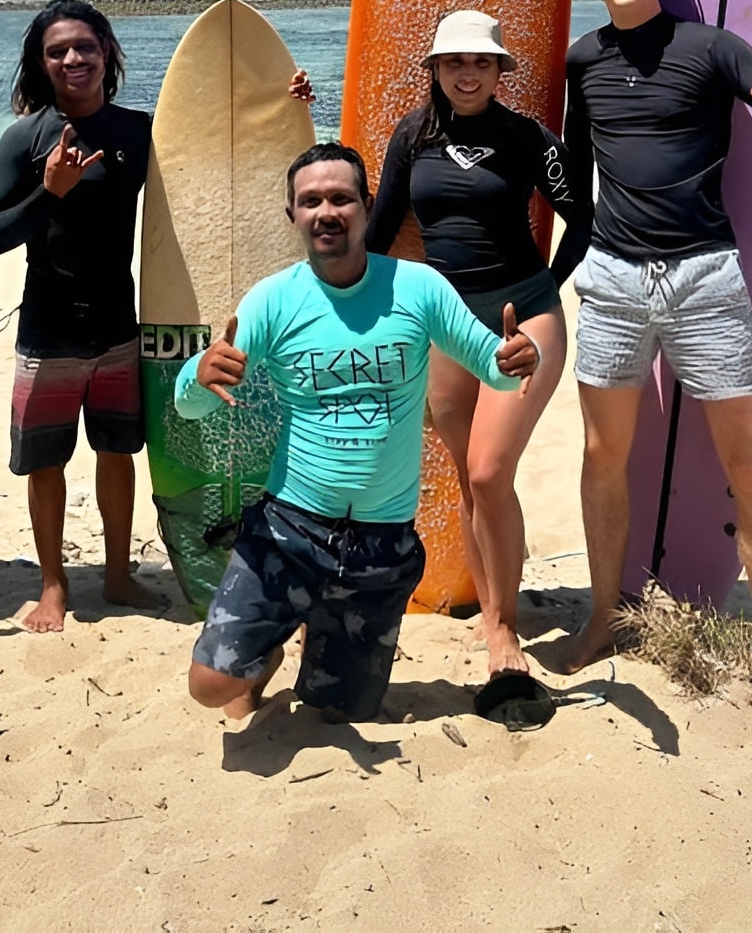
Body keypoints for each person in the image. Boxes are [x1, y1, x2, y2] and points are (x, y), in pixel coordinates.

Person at [552, 0, 752, 709]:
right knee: (603, 456)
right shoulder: (581, 62)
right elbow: (574, 177)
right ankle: (604, 615)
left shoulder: (714, 49)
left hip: (705, 278)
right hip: (612, 280)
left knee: (748, 463)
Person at [178, 142, 540, 724]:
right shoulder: (273, 300)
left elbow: (492, 362)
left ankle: (316, 645)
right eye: (311, 200)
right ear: (292, 216)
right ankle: (268, 646)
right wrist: (197, 375)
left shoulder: (417, 288)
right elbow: (193, 405)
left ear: (367, 208)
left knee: (338, 711)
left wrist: (524, 354)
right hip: (287, 531)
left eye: (342, 198)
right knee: (213, 688)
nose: (327, 210)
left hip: (379, 545)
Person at [364, 11, 591, 680]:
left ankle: (506, 632)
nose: (468, 73)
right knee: (470, 479)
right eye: (455, 62)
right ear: (435, 70)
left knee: (491, 472)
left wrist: (549, 284)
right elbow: (379, 231)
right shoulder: (413, 136)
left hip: (524, 317)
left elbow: (583, 216)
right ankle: (494, 619)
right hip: (443, 324)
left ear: (499, 72)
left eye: (481, 63)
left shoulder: (528, 138)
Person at [0, 0, 161, 631]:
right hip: (48, 327)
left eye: (84, 46)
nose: (73, 59)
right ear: (40, 62)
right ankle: (53, 584)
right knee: (47, 460)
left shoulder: (139, 131)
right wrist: (47, 193)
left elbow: (219, 156)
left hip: (117, 324)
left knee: (118, 452)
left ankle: (116, 575)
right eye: (57, 51)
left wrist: (289, 102)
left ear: (107, 52)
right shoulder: (25, 139)